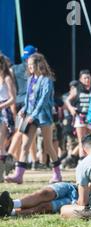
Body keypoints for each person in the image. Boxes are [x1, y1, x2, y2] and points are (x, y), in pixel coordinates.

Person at [5, 53, 62, 184]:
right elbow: (28, 99)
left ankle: (57, 174)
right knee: (25, 145)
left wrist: (33, 115)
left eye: (31, 65)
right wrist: (23, 110)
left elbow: (44, 100)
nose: (29, 67)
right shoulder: (30, 79)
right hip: (30, 115)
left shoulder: (46, 80)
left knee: (48, 145)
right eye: (28, 65)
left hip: (43, 116)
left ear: (39, 64)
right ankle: (18, 176)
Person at [64, 70, 91, 160]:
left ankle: (90, 159)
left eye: (88, 78)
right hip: (80, 116)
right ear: (80, 79)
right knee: (82, 140)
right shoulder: (77, 88)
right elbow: (67, 100)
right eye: (85, 78)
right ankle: (81, 160)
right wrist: (71, 108)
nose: (87, 80)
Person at [0, 54, 16, 182]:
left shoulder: (7, 78)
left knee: (1, 142)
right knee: (1, 145)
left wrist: (1, 106)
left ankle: (2, 172)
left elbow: (13, 98)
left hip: (4, 111)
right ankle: (8, 162)